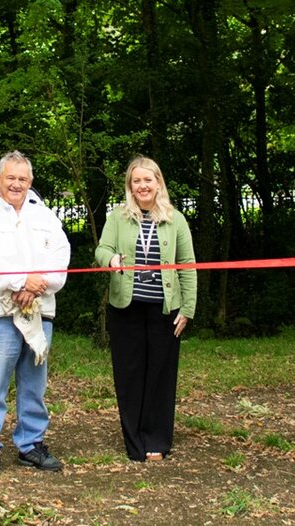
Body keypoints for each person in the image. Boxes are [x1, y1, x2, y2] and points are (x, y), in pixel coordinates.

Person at [0, 151, 71, 476]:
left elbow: (60, 254)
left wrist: (36, 285)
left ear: (30, 182)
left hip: (40, 313)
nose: (16, 184)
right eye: (10, 177)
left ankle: (31, 446)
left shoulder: (45, 217)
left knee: (34, 385)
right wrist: (22, 280)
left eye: (22, 179)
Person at [95, 157, 197, 462]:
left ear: (158, 183)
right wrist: (110, 260)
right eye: (136, 181)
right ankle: (134, 442)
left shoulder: (175, 219)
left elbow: (188, 265)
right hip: (125, 308)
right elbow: (102, 250)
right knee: (129, 375)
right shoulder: (117, 217)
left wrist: (188, 308)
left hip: (165, 310)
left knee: (161, 376)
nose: (143, 186)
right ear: (130, 186)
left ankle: (157, 439)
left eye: (148, 180)